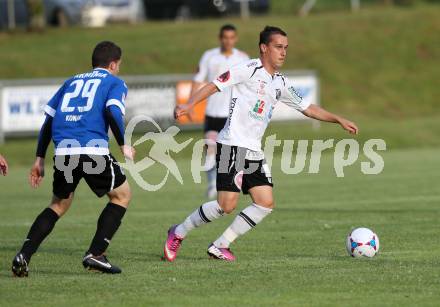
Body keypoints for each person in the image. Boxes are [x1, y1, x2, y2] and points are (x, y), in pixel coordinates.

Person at [164, 26, 358, 262]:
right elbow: (215, 84)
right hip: (231, 145)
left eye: (286, 48)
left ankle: (220, 245)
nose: (283, 52)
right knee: (226, 205)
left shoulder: (280, 82)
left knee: (265, 203)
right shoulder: (249, 69)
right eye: (278, 47)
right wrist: (189, 104)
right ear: (264, 48)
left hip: (253, 150)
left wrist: (338, 119)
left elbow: (308, 108)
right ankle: (179, 231)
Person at [11, 41, 135, 277]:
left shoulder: (71, 81)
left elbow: (48, 120)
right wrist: (123, 144)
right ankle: (96, 254)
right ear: (112, 64)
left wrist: (39, 158)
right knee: (122, 195)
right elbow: (112, 110)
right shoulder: (114, 82)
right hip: (92, 151)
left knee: (58, 204)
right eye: (118, 65)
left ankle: (23, 255)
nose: (118, 69)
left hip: (64, 152)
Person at [191, 24, 249, 199]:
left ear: (236, 38)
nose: (228, 41)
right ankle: (211, 185)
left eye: (232, 37)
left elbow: (248, 85)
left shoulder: (243, 58)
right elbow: (198, 80)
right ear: (220, 38)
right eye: (225, 37)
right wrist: (191, 104)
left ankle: (233, 182)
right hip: (213, 112)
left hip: (233, 114)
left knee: (232, 151)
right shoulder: (209, 56)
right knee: (210, 149)